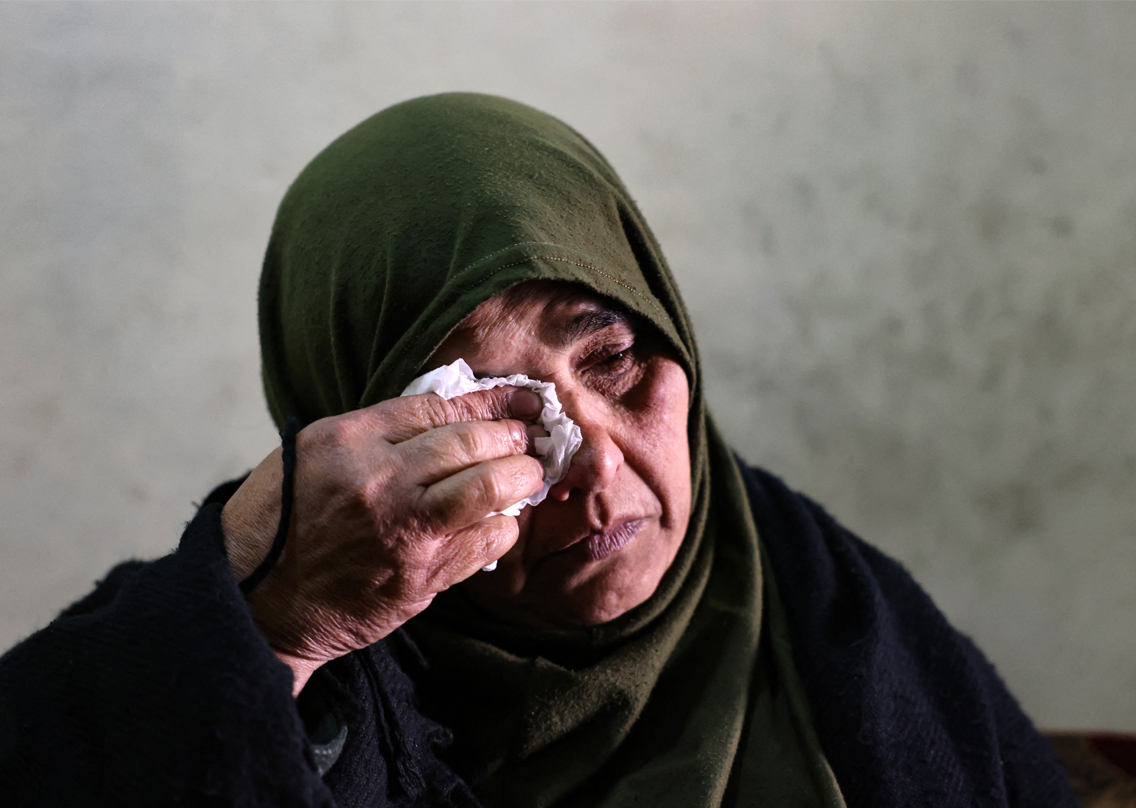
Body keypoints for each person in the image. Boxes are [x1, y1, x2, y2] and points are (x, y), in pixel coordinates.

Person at [0, 93, 1077, 808]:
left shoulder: (829, 611)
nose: (596, 474)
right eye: (484, 422)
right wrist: (274, 626)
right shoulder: (293, 660)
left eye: (611, 357)